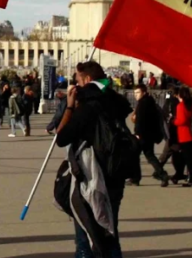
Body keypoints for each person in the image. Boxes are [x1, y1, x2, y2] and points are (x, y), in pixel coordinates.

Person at [56, 61, 132, 258]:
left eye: (77, 80)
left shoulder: (88, 106)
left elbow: (62, 137)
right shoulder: (115, 101)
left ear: (87, 80)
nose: (75, 85)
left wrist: (70, 106)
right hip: (115, 173)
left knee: (85, 236)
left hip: (91, 178)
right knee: (110, 233)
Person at [132, 84, 168, 187]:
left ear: (143, 92)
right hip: (149, 135)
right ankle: (162, 175)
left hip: (142, 135)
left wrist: (137, 133)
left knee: (135, 155)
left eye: (138, 93)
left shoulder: (143, 103)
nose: (136, 95)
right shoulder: (150, 102)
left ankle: (136, 178)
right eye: (135, 93)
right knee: (150, 156)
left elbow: (140, 121)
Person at [172, 87, 192, 187]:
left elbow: (182, 120)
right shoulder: (191, 104)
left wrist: (174, 121)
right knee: (190, 158)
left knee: (187, 159)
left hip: (184, 134)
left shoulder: (180, 106)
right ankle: (188, 177)